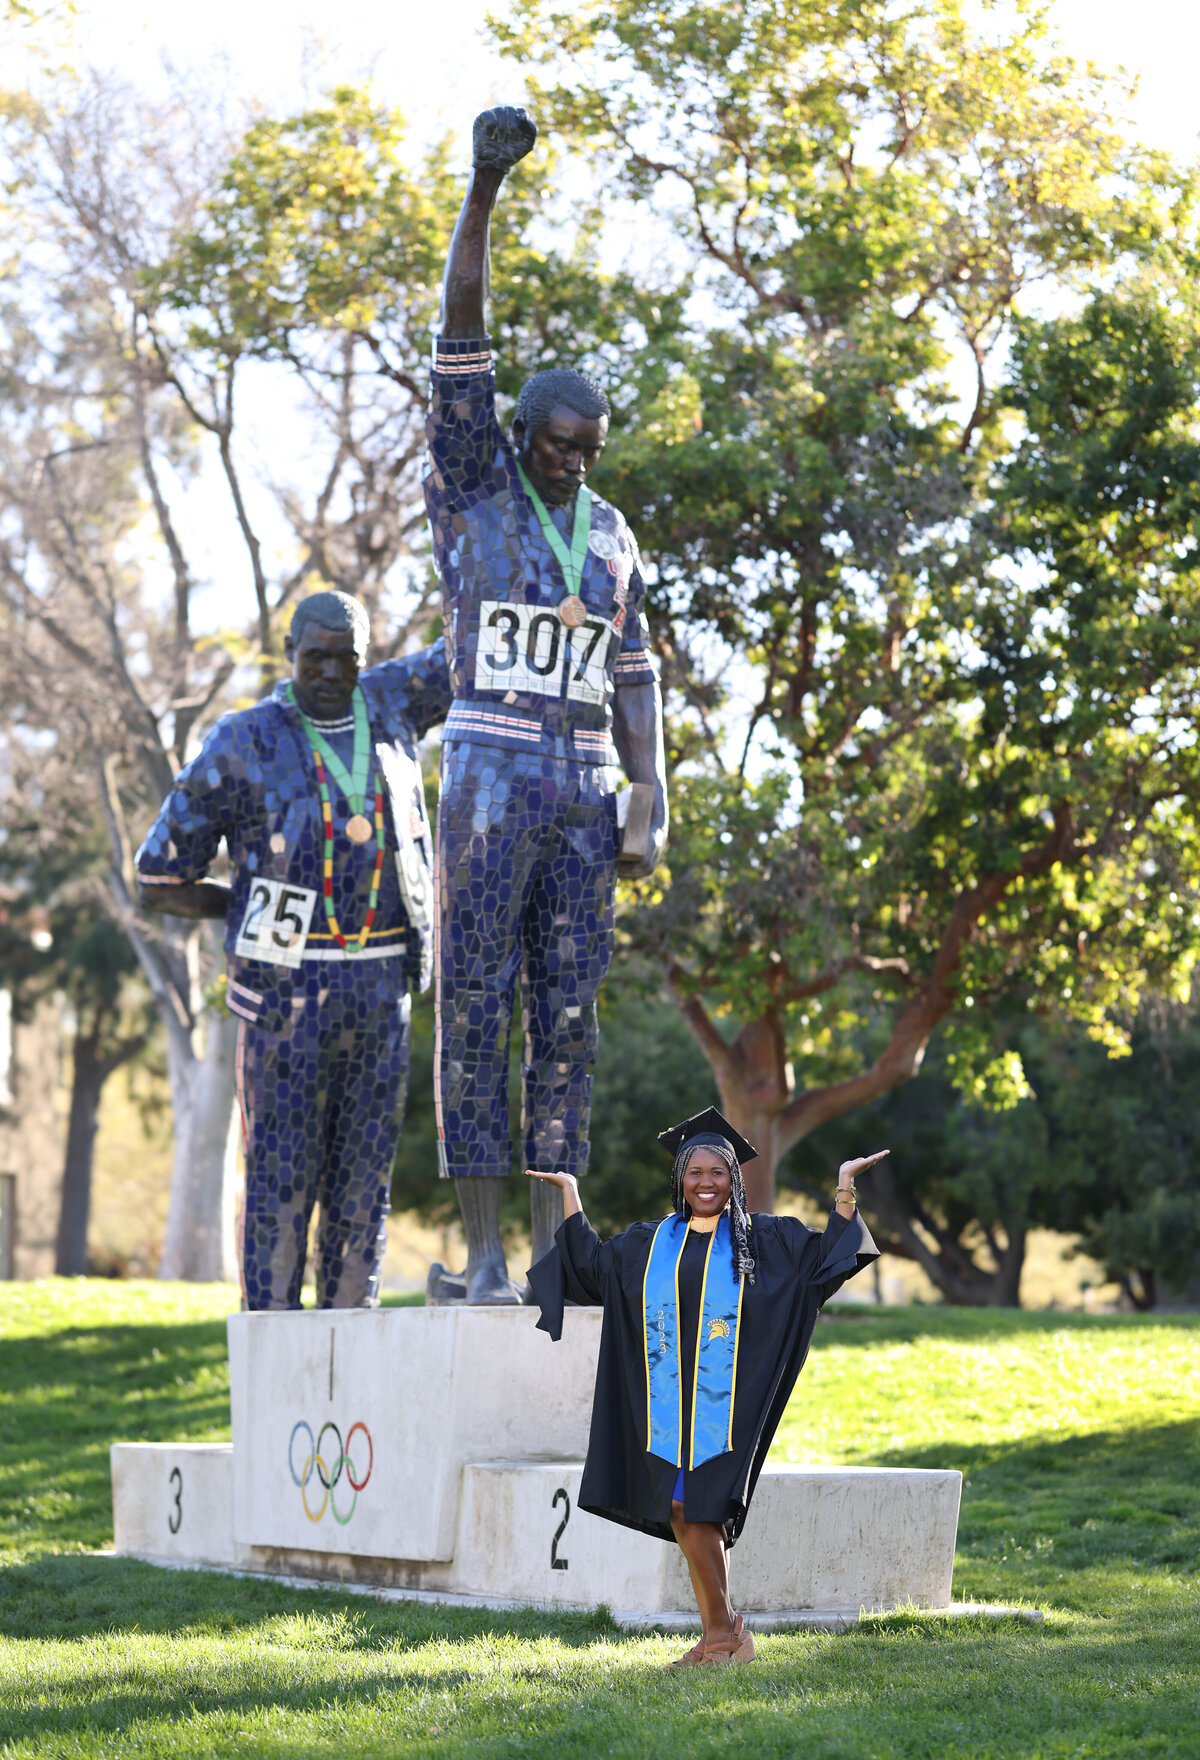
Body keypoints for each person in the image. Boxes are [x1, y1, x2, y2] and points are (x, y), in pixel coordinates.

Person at [423, 104, 669, 1305]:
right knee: (471, 1007)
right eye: (559, 445)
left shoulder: (615, 534)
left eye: (592, 448)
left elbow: (636, 670)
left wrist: (652, 791)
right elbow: (460, 335)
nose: (575, 462)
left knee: (566, 1021)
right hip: (483, 774)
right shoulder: (474, 486)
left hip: (581, 787)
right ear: (520, 438)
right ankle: (473, 1255)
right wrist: (484, 189)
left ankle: (552, 1250)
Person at [136, 590, 451, 1309]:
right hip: (285, 995)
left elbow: (464, 648)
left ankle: (351, 1359)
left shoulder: (394, 705)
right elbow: (159, 876)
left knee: (363, 1181)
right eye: (317, 657)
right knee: (280, 1177)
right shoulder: (242, 739)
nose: (333, 672)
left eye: (349, 659)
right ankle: (276, 1357)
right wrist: (245, 909)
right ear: (289, 652)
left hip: (382, 987)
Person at [527, 1107, 883, 1667]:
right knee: (685, 1509)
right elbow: (593, 1267)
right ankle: (724, 1635)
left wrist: (844, 1188)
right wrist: (570, 1192)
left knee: (693, 1507)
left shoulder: (765, 1239)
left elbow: (826, 1262)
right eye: (694, 1173)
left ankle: (723, 1635)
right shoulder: (650, 1241)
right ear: (680, 1180)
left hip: (726, 1407)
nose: (705, 1183)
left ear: (733, 1180)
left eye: (717, 1173)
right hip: (667, 1405)